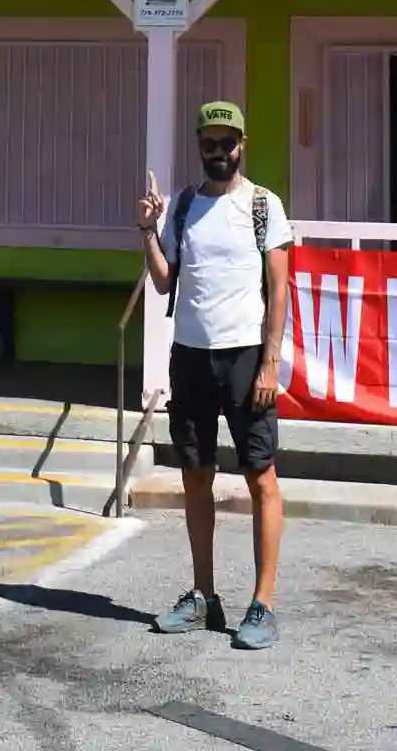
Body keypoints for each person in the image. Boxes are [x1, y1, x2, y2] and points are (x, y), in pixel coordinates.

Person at [137, 99, 293, 651]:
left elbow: (280, 289)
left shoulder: (262, 206)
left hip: (247, 358)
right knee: (196, 476)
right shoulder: (182, 207)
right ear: (199, 145)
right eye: (210, 143)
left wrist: (271, 362)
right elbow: (162, 281)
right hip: (191, 357)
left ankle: (263, 603)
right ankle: (203, 595)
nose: (219, 151)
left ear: (241, 145)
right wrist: (148, 232)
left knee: (261, 478)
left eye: (228, 143)